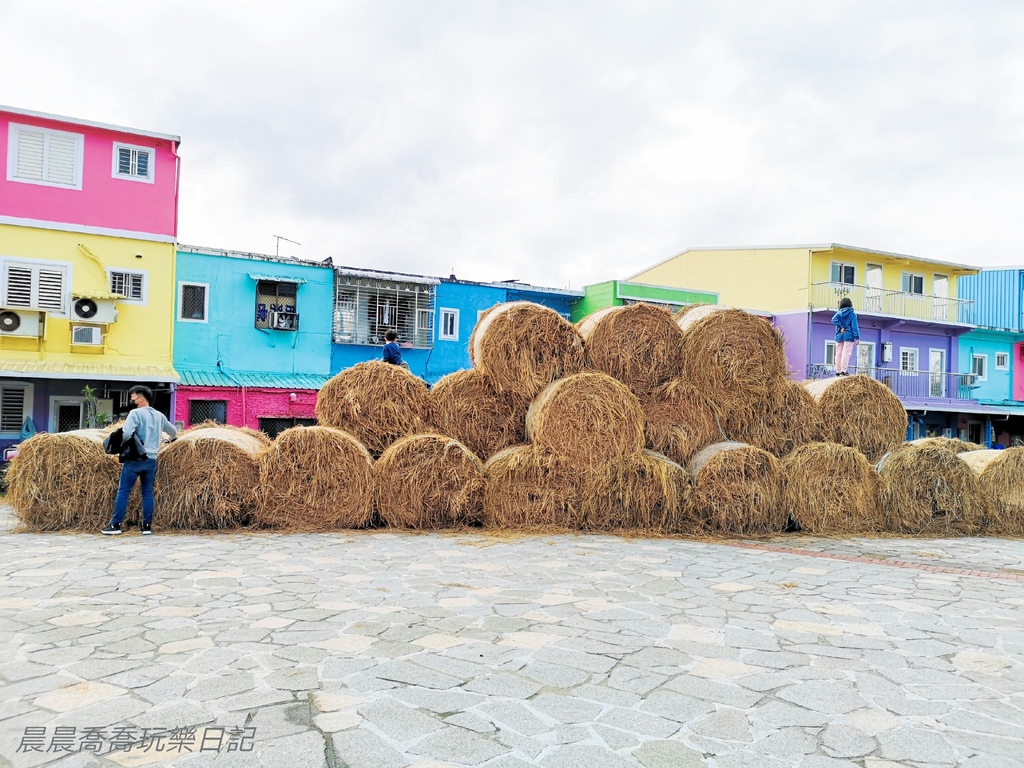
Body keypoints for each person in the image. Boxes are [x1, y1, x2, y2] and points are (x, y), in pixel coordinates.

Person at [102, 386, 177, 535]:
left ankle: (115, 525)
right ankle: (147, 526)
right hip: (151, 460)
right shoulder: (159, 416)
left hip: (135, 458)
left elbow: (127, 433)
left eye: (133, 397)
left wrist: (118, 443)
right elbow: (174, 432)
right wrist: (167, 440)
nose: (131, 399)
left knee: (123, 491)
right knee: (147, 493)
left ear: (142, 398)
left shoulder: (135, 413)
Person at [831, 297, 860, 376]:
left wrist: (840, 327)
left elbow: (833, 319)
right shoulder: (852, 314)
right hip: (848, 335)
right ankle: (844, 370)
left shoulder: (839, 313)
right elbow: (854, 326)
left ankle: (838, 371)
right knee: (846, 353)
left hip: (839, 335)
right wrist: (857, 337)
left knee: (838, 353)